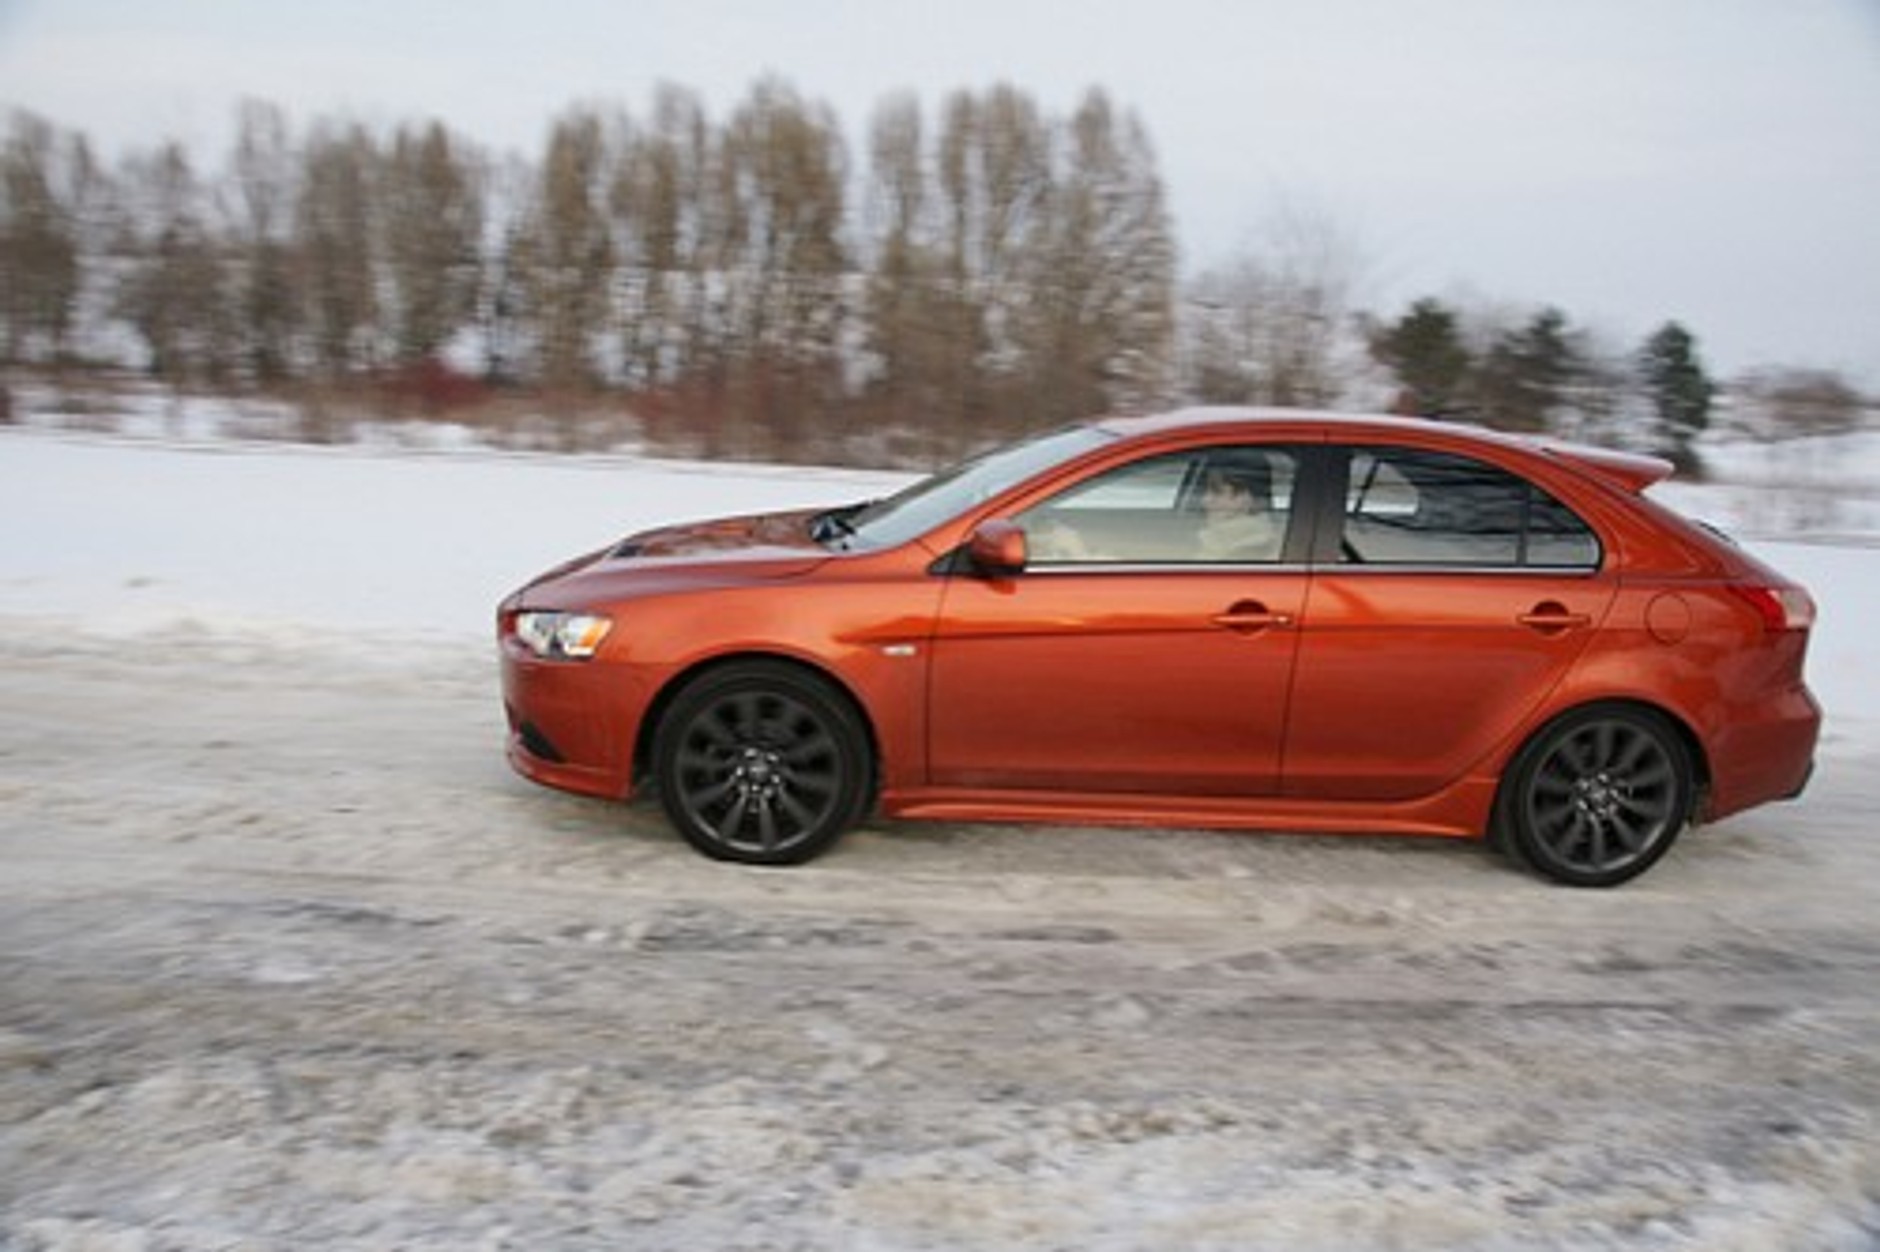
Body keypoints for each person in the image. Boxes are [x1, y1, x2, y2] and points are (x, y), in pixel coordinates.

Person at [1195, 461, 1280, 561]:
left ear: (1246, 498)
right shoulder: (1220, 541)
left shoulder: (1251, 552)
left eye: (1217, 492)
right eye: (1205, 491)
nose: (1204, 500)